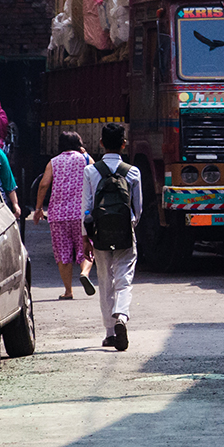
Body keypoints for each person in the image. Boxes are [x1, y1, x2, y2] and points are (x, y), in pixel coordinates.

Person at [83, 122, 142, 352]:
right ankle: (122, 317)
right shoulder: (133, 172)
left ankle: (109, 333)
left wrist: (85, 238)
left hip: (99, 233)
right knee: (124, 277)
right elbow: (138, 208)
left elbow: (86, 209)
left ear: (100, 143)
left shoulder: (90, 171)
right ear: (124, 144)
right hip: (125, 231)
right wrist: (131, 225)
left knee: (105, 280)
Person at [33, 131, 95, 301]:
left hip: (58, 214)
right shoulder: (86, 160)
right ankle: (84, 272)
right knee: (87, 246)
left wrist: (38, 208)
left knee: (63, 253)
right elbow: (96, 179)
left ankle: (68, 291)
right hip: (81, 214)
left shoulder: (53, 162)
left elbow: (44, 184)